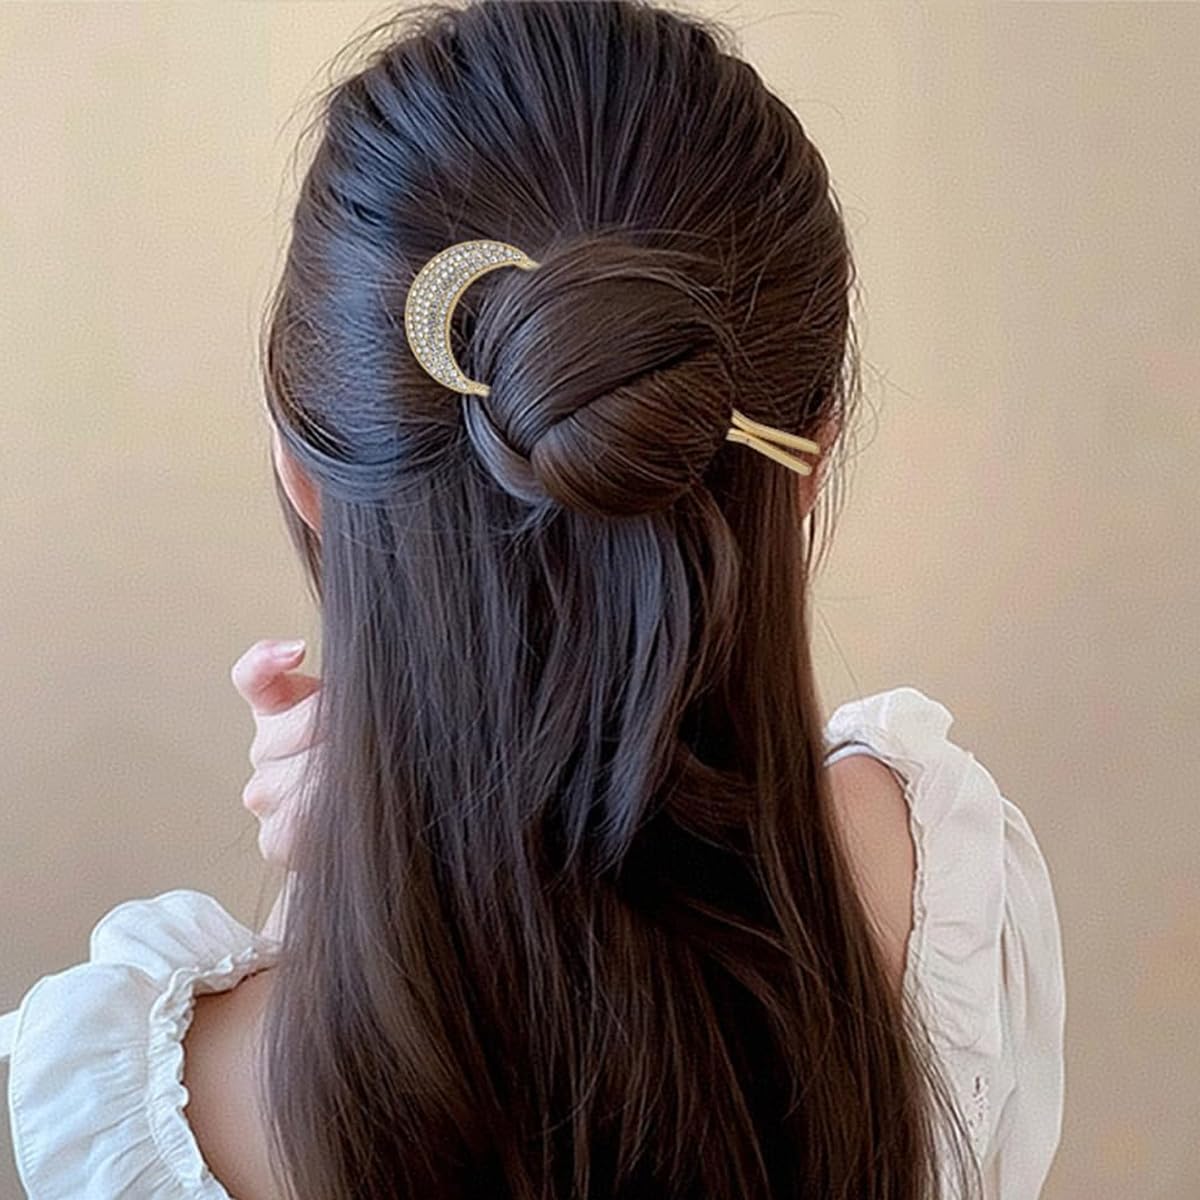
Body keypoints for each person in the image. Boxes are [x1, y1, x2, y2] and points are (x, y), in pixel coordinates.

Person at [0, 2, 1066, 1197]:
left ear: (303, 472)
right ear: (808, 459)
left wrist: (359, 863)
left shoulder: (153, 1111)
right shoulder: (947, 895)